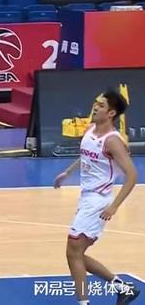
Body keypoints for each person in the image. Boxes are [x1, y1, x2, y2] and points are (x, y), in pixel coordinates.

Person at [54, 89, 140, 305]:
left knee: (73, 251)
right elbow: (86, 156)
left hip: (99, 201)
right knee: (76, 254)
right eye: (96, 103)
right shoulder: (91, 129)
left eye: (101, 105)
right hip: (86, 197)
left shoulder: (113, 141)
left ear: (111, 113)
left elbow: (132, 175)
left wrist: (114, 206)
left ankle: (84, 302)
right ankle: (122, 287)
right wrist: (67, 172)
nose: (95, 107)